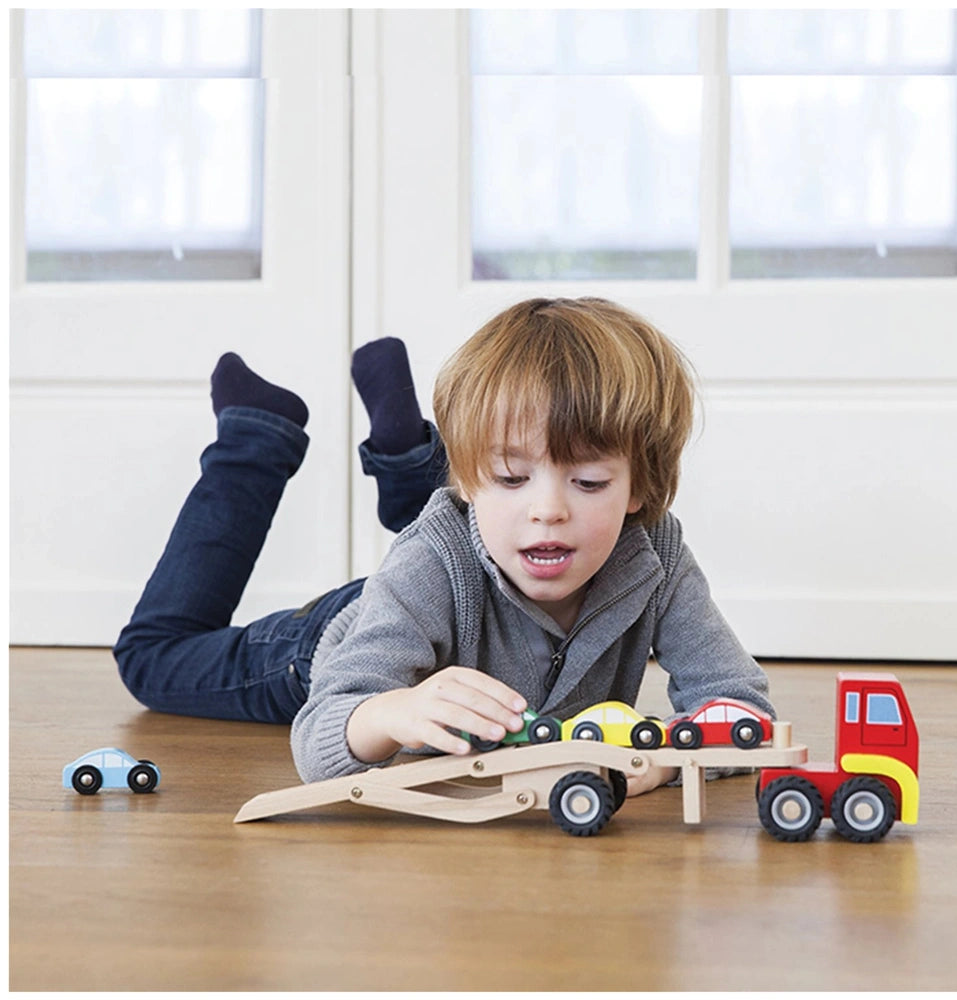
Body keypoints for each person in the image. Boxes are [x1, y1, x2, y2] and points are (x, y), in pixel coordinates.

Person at [115, 297, 773, 796]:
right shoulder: (429, 563)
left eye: (590, 481)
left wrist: (652, 765)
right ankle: (256, 438)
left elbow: (742, 705)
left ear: (640, 487)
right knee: (152, 656)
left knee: (466, 533)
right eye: (512, 477)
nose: (549, 509)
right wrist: (392, 710)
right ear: (468, 480)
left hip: (455, 576)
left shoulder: (653, 551)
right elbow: (319, 738)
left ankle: (407, 454)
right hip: (328, 643)